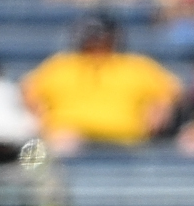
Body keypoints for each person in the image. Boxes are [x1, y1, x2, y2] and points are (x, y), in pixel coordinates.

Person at [23, 12, 181, 150]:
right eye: (91, 36)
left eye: (101, 36)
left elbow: (173, 89)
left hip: (128, 137)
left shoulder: (135, 65)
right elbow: (28, 88)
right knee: (61, 143)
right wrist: (39, 112)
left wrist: (161, 106)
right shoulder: (62, 65)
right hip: (71, 136)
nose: (96, 42)